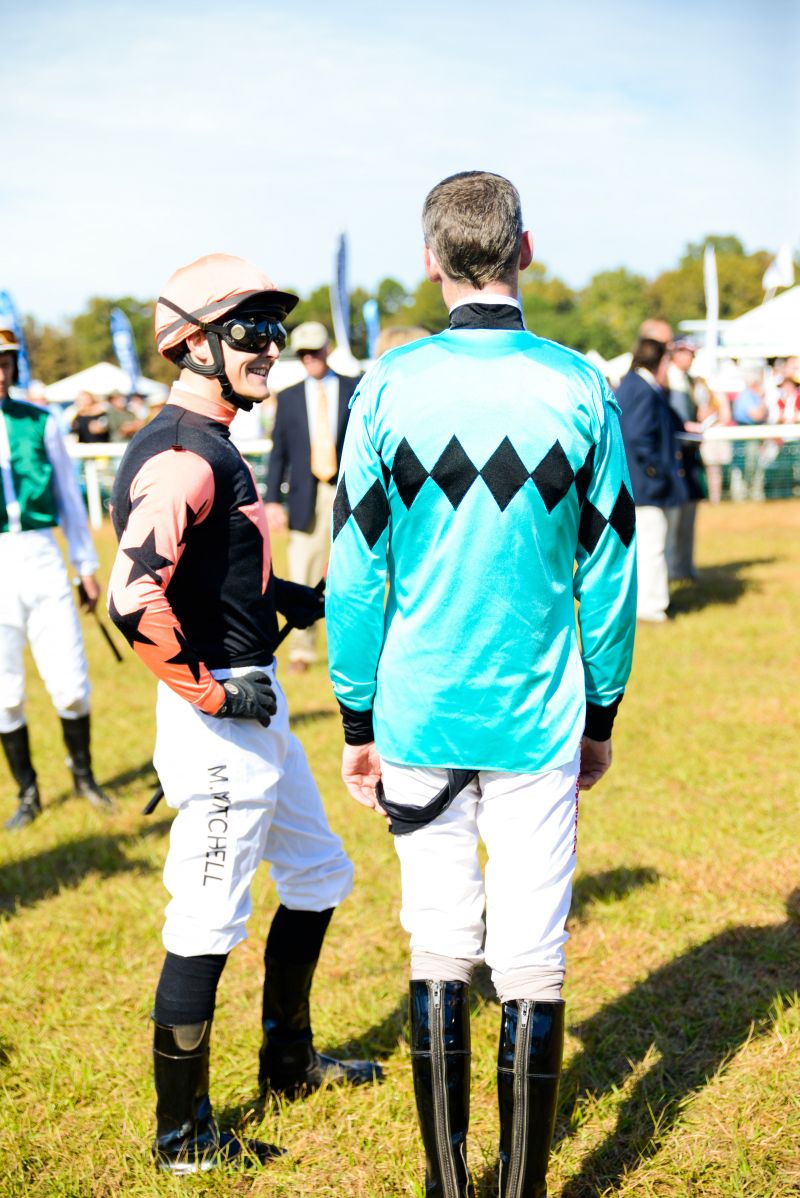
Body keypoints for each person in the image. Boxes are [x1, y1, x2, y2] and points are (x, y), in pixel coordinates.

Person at [325, 172, 637, 1198]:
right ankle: (519, 1191)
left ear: (429, 260)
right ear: (526, 250)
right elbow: (611, 566)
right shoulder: (581, 386)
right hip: (538, 712)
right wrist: (601, 712)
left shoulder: (385, 386)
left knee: (437, 941)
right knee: (530, 954)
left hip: (417, 710)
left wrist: (354, 713)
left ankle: (449, 1184)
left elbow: (358, 567)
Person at [107, 254, 379, 1175]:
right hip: (222, 717)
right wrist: (213, 692)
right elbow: (131, 597)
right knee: (206, 920)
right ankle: (182, 1139)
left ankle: (289, 1063)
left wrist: (286, 596)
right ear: (190, 344)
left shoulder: (217, 438)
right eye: (249, 329)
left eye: (273, 328)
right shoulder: (182, 452)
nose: (269, 346)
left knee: (319, 873)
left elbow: (209, 570)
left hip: (251, 701)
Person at [0, 322, 110, 829]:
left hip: (42, 555)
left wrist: (85, 565)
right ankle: (28, 791)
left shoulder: (40, 420)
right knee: (5, 692)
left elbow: (68, 496)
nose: (0, 373)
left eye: (5, 363)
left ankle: (84, 775)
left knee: (69, 683)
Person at [264, 321, 358, 672]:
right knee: (302, 570)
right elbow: (278, 453)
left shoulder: (355, 389)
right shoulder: (287, 397)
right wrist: (272, 499)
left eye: (314, 351)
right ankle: (302, 651)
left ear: (327, 349)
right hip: (305, 497)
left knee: (349, 570)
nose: (309, 359)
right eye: (303, 353)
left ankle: (349, 647)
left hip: (348, 492)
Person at [617, 338, 688, 622]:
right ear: (659, 361)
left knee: (650, 545)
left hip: (642, 483)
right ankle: (651, 606)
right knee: (653, 546)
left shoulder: (636, 385)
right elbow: (638, 437)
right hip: (647, 486)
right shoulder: (642, 389)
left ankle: (651, 602)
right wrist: (657, 473)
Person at [666, 337, 705, 580]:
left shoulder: (689, 381)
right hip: (676, 458)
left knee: (688, 516)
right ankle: (674, 570)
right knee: (674, 521)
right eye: (686, 353)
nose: (690, 358)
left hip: (689, 456)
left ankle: (684, 567)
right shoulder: (670, 380)